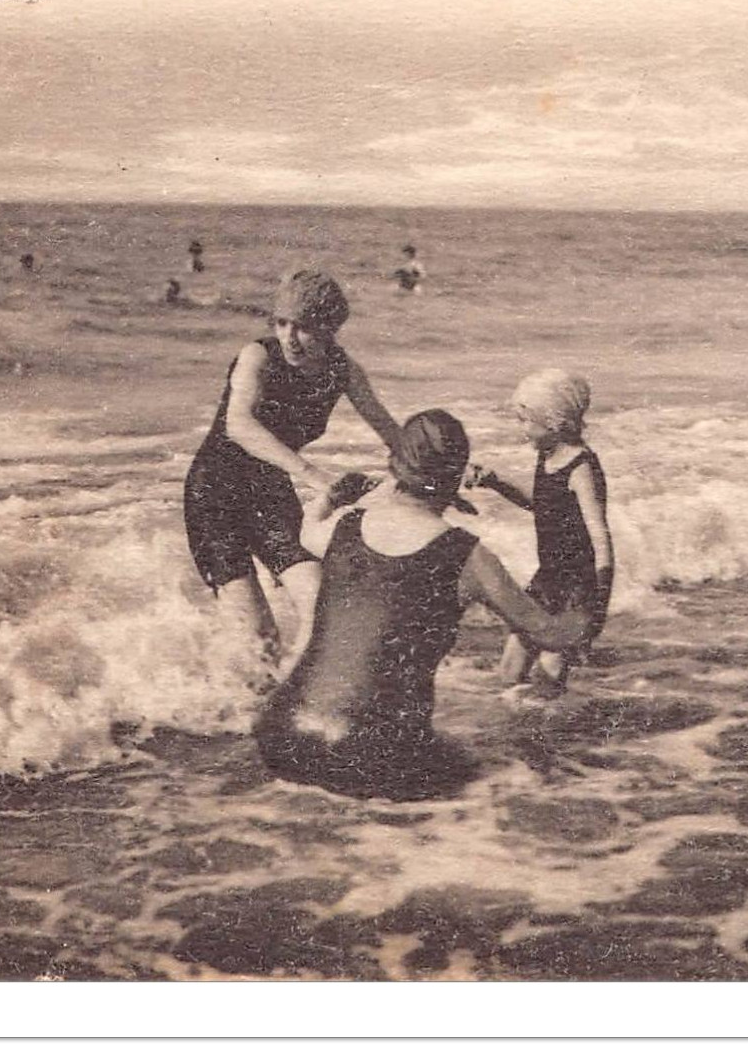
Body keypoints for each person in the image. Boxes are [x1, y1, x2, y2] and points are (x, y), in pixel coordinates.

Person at [255, 410, 591, 799]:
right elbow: (551, 633)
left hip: (283, 734)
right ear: (455, 476)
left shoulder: (345, 526)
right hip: (366, 751)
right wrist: (589, 595)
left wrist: (331, 497)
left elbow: (307, 531)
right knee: (500, 777)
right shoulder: (465, 554)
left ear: (394, 467)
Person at [183, 267, 404, 681]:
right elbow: (239, 425)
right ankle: (251, 717)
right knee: (260, 638)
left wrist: (437, 475)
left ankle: (301, 704)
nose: (289, 336)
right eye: (282, 323)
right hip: (214, 496)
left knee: (322, 605)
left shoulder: (343, 370)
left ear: (329, 328)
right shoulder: (258, 356)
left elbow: (389, 429)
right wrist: (313, 475)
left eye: (303, 327)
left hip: (268, 493)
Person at [468, 369, 613, 699]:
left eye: (526, 421)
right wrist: (496, 483)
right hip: (548, 580)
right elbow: (543, 505)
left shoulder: (581, 468)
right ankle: (518, 735)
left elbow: (599, 535)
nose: (521, 431)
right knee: (510, 668)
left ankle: (550, 742)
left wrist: (598, 600)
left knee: (550, 675)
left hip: (578, 587)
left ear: (555, 422)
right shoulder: (547, 458)